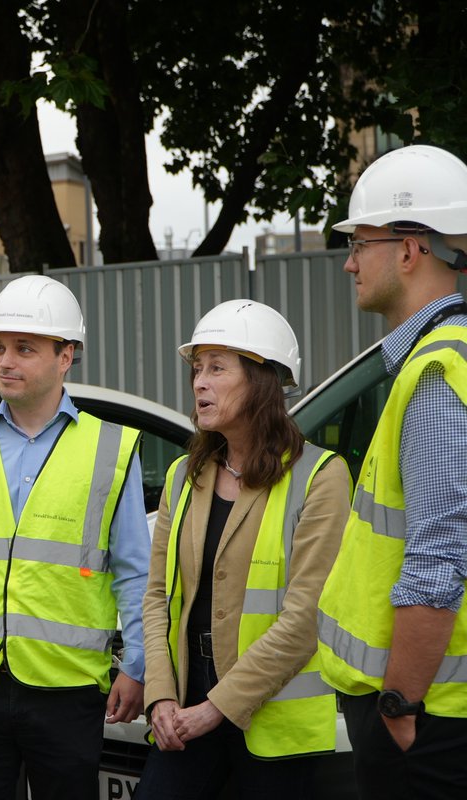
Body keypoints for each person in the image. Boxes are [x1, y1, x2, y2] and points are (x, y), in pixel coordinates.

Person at [0, 274, 148, 800]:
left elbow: (135, 574)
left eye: (24, 348)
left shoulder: (110, 449)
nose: (5, 361)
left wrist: (136, 665)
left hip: (67, 688)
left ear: (66, 356)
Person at [138, 300, 351, 798]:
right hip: (186, 700)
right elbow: (157, 597)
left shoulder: (321, 476)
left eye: (217, 368)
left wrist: (218, 706)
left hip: (274, 721)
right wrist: (161, 694)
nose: (199, 383)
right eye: (197, 369)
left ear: (262, 381)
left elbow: (306, 618)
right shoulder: (184, 475)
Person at [317, 144, 467, 799]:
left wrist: (400, 705)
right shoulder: (439, 359)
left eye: (361, 243)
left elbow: (438, 557)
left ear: (409, 250)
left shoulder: (437, 374)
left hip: (425, 716)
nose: (350, 262)